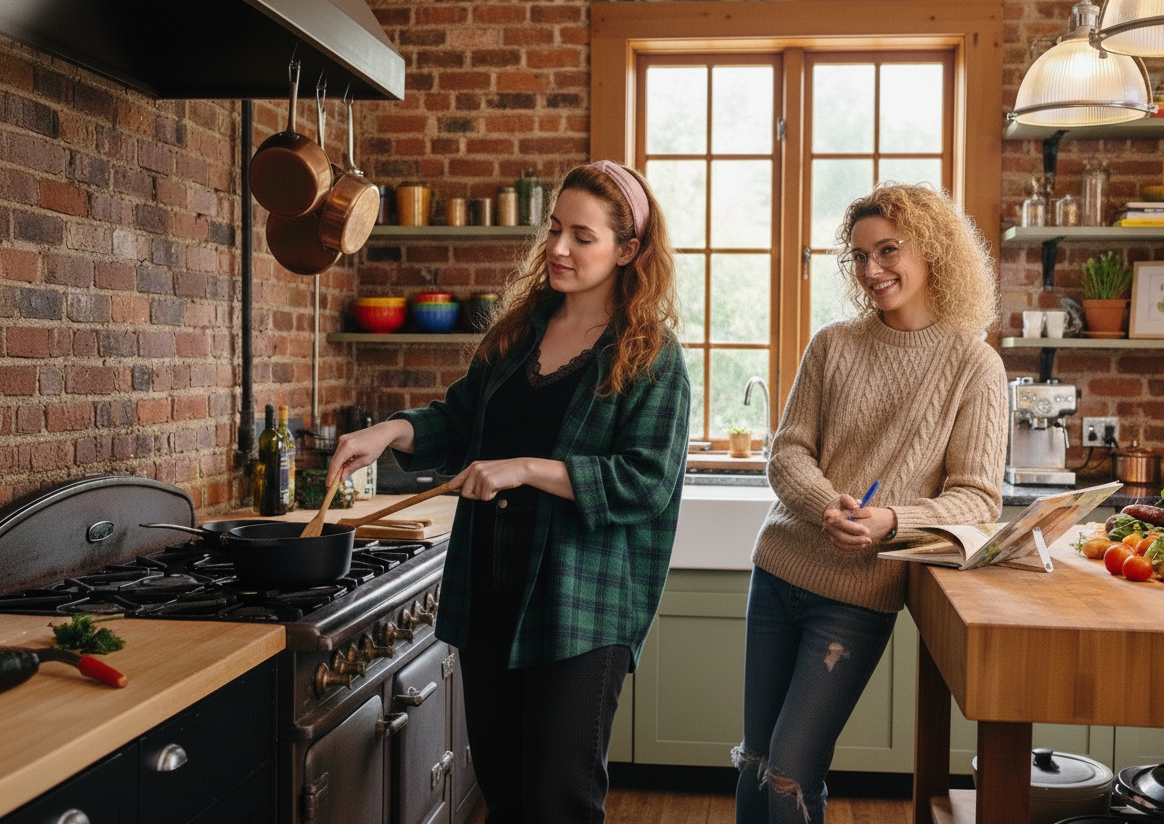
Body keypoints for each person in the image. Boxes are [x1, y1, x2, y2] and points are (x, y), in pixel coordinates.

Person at [326, 161, 690, 824]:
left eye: (583, 236)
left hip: (580, 610)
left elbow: (648, 481)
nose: (558, 248)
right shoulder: (518, 335)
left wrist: (526, 468)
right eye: (555, 229)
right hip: (492, 593)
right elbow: (460, 419)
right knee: (504, 790)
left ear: (627, 249)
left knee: (559, 802)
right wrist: (388, 431)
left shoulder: (650, 355)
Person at [733, 182, 1008, 823]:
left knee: (789, 772)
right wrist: (829, 504)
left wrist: (890, 521)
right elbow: (787, 452)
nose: (872, 270)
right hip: (778, 571)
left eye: (888, 250)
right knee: (753, 760)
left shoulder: (976, 366)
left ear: (934, 250)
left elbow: (977, 501)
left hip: (857, 598)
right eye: (858, 256)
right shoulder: (833, 344)